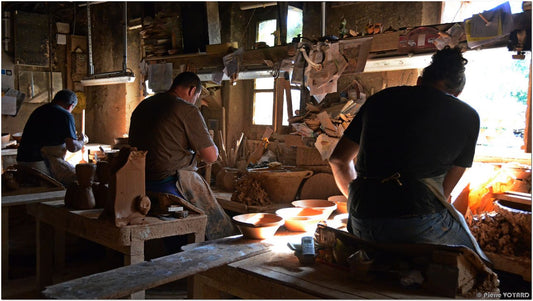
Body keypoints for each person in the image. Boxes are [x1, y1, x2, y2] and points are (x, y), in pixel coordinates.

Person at [328, 46, 489, 262]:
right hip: (415, 226)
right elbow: (442, 193)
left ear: (419, 81)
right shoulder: (469, 116)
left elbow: (338, 160)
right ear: (457, 93)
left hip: (361, 222)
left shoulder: (379, 99)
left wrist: (365, 202)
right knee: (476, 261)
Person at [129, 71, 237, 241]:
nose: (195, 102)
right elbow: (211, 157)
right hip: (169, 181)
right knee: (218, 224)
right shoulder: (186, 109)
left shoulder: (144, 105)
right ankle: (221, 250)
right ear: (192, 90)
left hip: (138, 179)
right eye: (197, 97)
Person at [17, 89, 86, 186]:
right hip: (39, 162)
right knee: (81, 180)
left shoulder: (39, 110)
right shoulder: (65, 115)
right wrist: (82, 142)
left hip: (22, 161)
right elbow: (72, 147)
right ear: (71, 106)